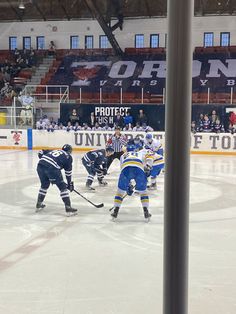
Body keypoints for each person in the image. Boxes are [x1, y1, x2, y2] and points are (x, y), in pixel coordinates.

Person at [111, 140, 153, 221]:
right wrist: (148, 169)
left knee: (120, 192)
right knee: (143, 192)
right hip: (138, 169)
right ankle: (146, 211)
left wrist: (128, 186)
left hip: (126, 168)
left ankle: (115, 211)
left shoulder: (123, 155)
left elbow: (123, 169)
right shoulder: (140, 153)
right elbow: (147, 162)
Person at [36, 144, 77, 215]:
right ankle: (68, 208)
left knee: (44, 185)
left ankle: (39, 204)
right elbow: (68, 173)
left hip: (40, 165)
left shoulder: (55, 150)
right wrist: (69, 184)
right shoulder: (68, 157)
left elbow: (41, 152)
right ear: (70, 151)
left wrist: (43, 159)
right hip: (51, 168)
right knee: (62, 187)